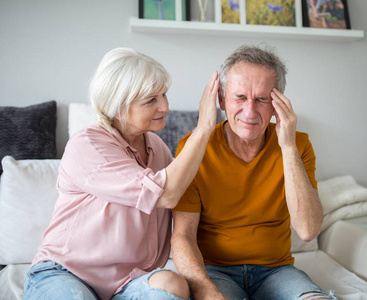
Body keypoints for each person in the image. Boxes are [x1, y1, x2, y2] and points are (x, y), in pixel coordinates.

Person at [23, 47, 219, 300]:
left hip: (128, 282)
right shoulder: (89, 144)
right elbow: (166, 195)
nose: (165, 106)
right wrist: (204, 127)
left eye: (163, 95)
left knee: (172, 285)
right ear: (117, 107)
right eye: (151, 100)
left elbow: (186, 196)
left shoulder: (157, 149)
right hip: (67, 272)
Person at [171, 45, 336, 300]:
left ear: (277, 104)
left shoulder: (298, 144)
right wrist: (204, 289)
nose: (249, 112)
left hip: (276, 271)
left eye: (261, 99)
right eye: (239, 97)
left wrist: (288, 147)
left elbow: (307, 230)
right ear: (221, 100)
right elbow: (181, 236)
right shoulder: (191, 148)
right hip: (215, 271)